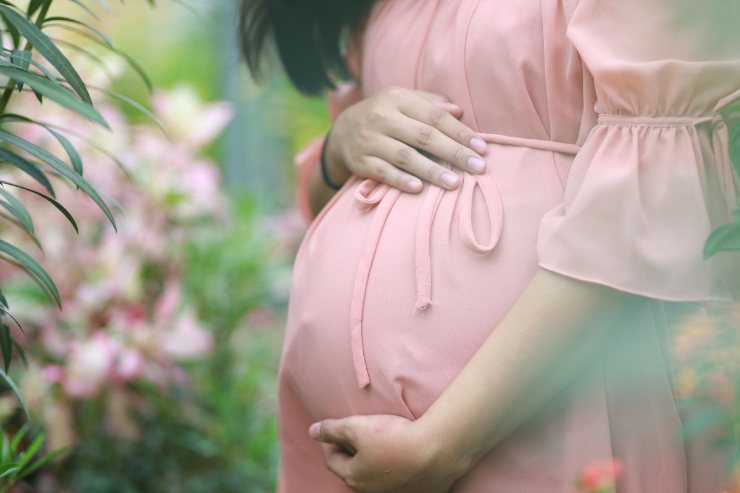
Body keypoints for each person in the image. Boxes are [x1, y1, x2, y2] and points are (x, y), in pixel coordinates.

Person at [239, 0, 740, 491]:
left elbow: (646, 208)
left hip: (557, 405)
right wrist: (340, 143)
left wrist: (441, 444)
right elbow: (331, 198)